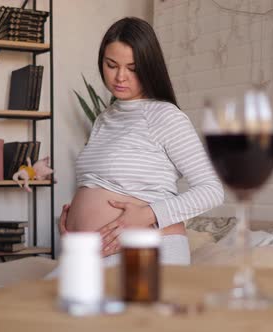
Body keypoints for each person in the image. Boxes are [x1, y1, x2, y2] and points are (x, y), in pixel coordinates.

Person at [59, 17, 224, 266]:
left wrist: (146, 215)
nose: (120, 77)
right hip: (92, 255)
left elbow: (211, 191)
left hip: (148, 250)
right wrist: (74, 220)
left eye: (132, 68)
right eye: (111, 65)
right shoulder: (104, 119)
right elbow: (100, 183)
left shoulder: (165, 116)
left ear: (148, 67)